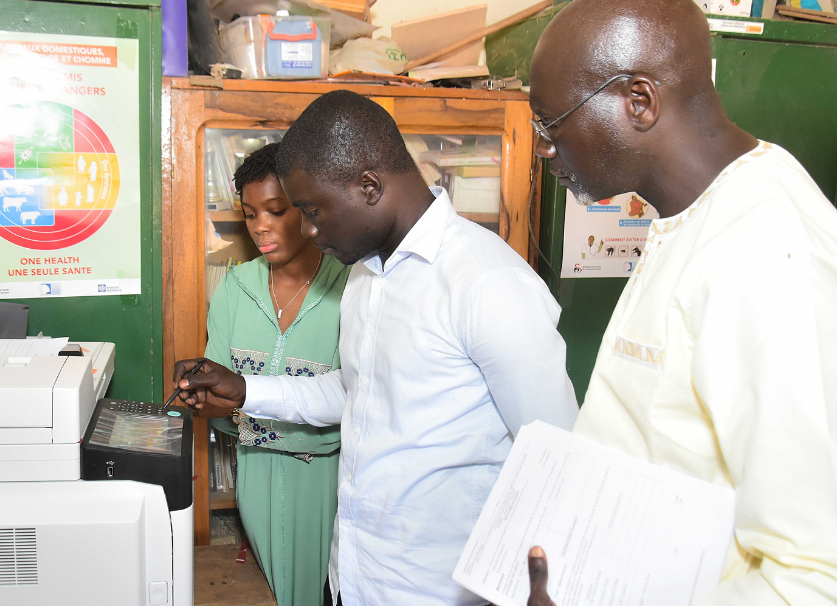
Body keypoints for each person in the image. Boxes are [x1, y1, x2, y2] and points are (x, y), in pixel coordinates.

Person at [175, 90, 579, 606]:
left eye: (313, 210)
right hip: (354, 577)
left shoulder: (487, 284)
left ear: (369, 186)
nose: (311, 231)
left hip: (439, 590)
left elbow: (559, 460)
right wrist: (244, 388)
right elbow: (354, 391)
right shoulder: (366, 275)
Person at [524, 0, 837, 604]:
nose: (543, 149)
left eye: (550, 123)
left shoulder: (768, 258)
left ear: (639, 102)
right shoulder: (692, 217)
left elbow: (813, 576)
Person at [205, 143, 350, 606]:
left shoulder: (351, 287)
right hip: (255, 479)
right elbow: (222, 409)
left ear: (307, 210)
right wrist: (204, 399)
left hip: (327, 484)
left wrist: (241, 400)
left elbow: (359, 402)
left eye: (275, 209)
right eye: (250, 214)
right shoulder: (234, 288)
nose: (260, 226)